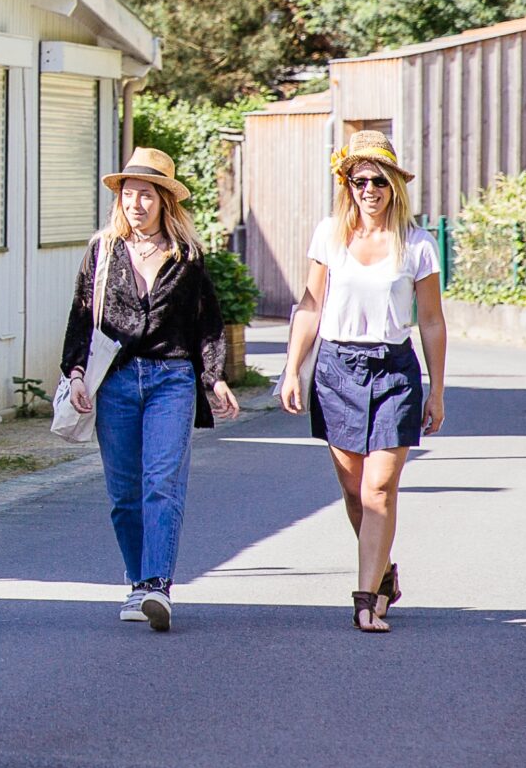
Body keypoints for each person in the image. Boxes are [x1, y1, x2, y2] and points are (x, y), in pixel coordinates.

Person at [60, 147, 241, 633]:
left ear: (164, 201)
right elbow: (81, 317)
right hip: (115, 381)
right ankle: (137, 581)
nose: (136, 203)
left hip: (172, 379)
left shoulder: (188, 257)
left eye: (146, 194)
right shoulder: (102, 252)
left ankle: (158, 584)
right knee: (124, 492)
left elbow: (207, 325)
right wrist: (75, 373)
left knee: (162, 481)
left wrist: (214, 376)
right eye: (129, 194)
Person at [276, 131, 448, 634]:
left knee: (378, 490)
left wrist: (436, 389)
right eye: (358, 180)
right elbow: (310, 306)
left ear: (395, 185)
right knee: (354, 493)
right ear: (346, 184)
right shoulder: (329, 235)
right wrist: (292, 368)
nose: (368, 190)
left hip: (394, 369)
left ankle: (365, 598)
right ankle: (385, 573)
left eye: (378, 180)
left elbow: (432, 321)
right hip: (336, 370)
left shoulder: (417, 244)